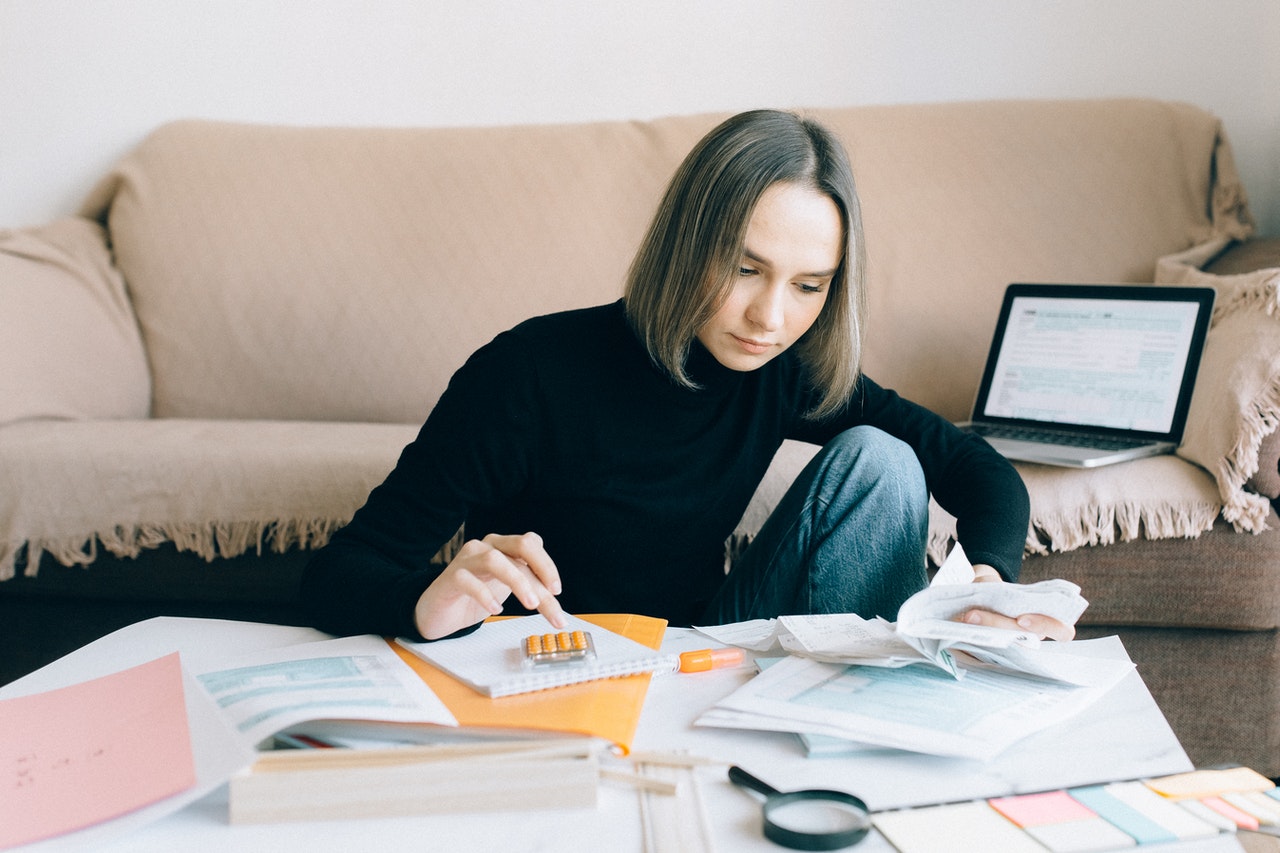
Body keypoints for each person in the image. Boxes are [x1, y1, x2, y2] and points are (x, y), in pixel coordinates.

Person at [300, 109, 1074, 645]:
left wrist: (985, 583)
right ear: (686, 240)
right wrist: (428, 600)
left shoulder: (784, 369)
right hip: (550, 662)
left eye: (809, 285)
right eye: (744, 268)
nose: (770, 317)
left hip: (705, 647)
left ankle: (860, 732)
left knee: (884, 460)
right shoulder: (525, 374)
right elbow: (341, 573)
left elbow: (977, 470)